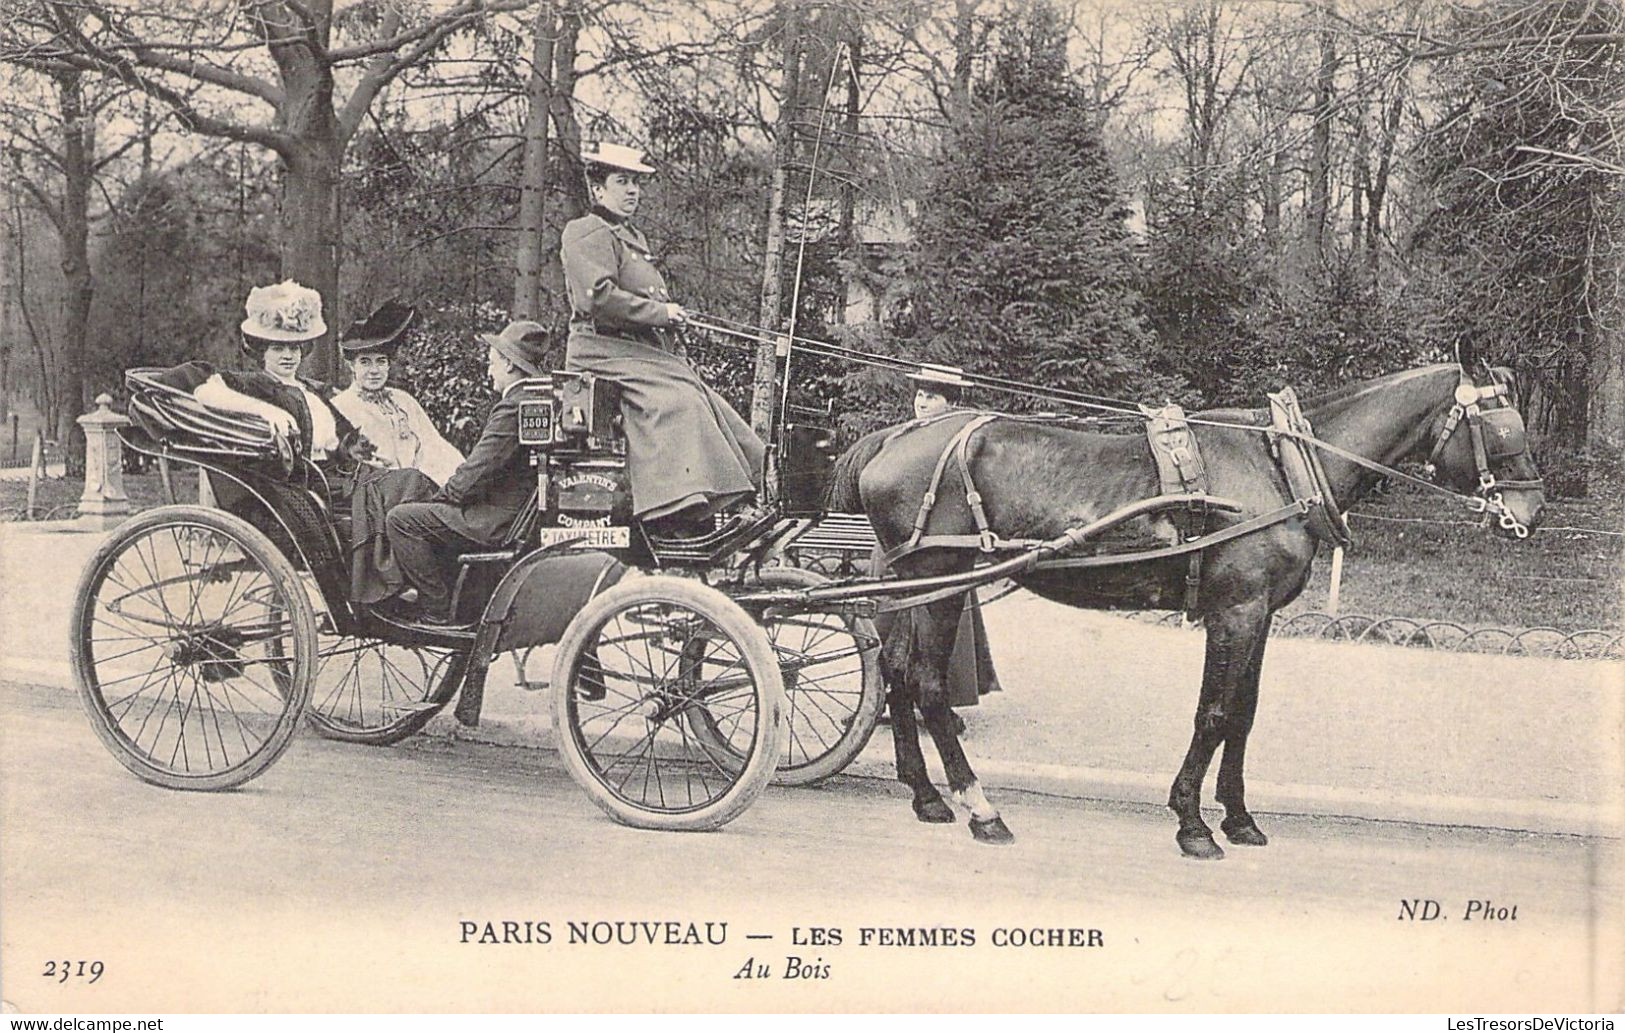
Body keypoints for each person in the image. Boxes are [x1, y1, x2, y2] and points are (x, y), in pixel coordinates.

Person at [559, 141, 764, 534]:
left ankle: (736, 494)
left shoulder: (631, 236)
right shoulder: (585, 232)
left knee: (704, 395)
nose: (633, 190)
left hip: (635, 349)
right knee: (679, 401)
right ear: (598, 188)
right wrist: (661, 314)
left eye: (636, 182)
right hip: (601, 351)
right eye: (622, 181)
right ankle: (676, 508)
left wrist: (669, 322)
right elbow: (598, 297)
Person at [384, 321, 546, 625]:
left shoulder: (513, 407)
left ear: (510, 364)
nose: (489, 371)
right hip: (515, 517)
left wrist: (443, 498)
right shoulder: (540, 400)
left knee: (401, 519)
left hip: (494, 523)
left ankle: (436, 610)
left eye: (492, 363)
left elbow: (477, 471)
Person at [330, 301, 465, 486]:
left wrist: (459, 479)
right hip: (377, 490)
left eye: (381, 361)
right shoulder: (340, 407)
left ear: (388, 364)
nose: (374, 370)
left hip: (421, 485)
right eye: (365, 362)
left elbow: (433, 445)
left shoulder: (403, 400)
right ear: (351, 365)